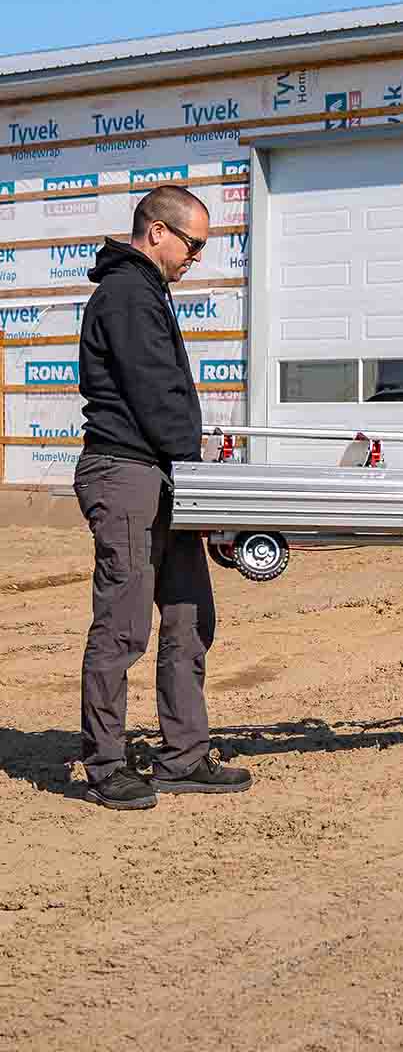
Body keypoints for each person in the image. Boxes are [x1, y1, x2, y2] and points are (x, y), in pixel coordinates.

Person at [74, 184, 251, 810]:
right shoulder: (126, 295)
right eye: (193, 245)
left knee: (187, 615)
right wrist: (202, 478)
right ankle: (106, 763)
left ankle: (183, 755)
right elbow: (156, 397)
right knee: (122, 627)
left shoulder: (147, 294)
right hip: (126, 473)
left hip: (161, 473)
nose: (195, 257)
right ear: (157, 233)